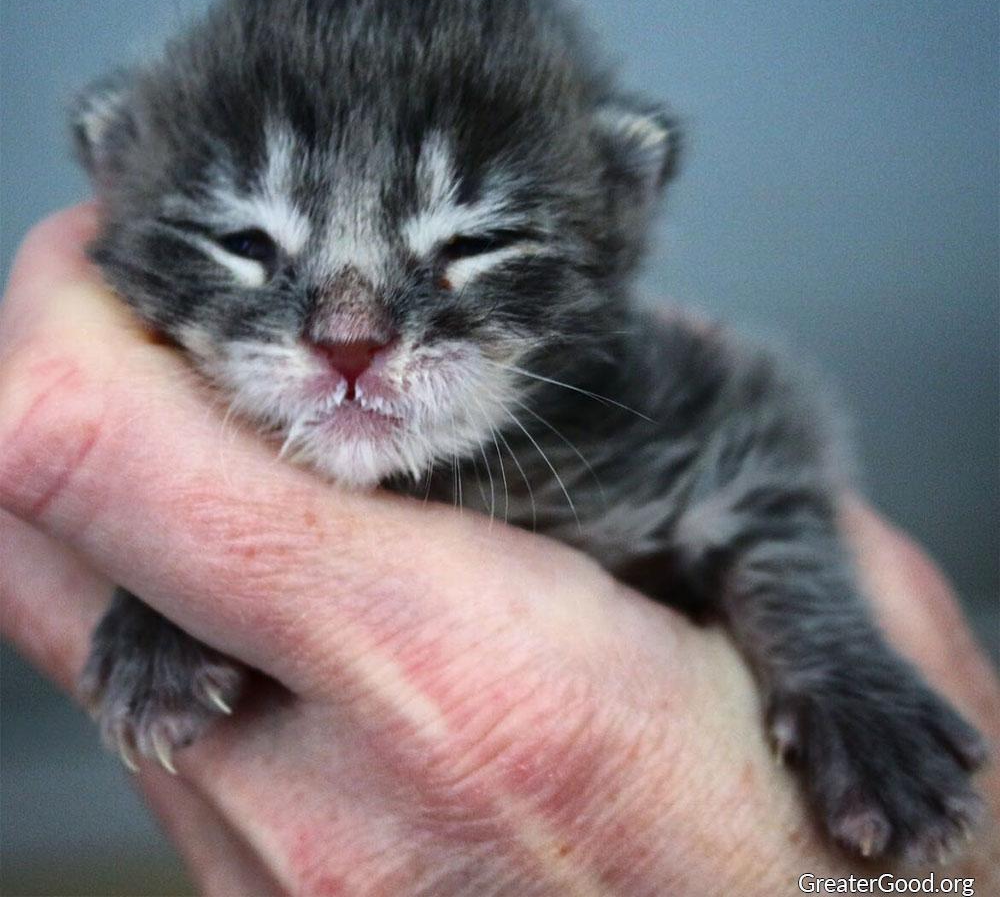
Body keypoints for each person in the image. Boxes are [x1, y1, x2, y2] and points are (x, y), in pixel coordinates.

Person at [2, 204, 997, 895]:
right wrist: (169, 589)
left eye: (465, 242)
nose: (350, 333)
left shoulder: (613, 403)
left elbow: (761, 429)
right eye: (254, 240)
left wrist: (829, 666)